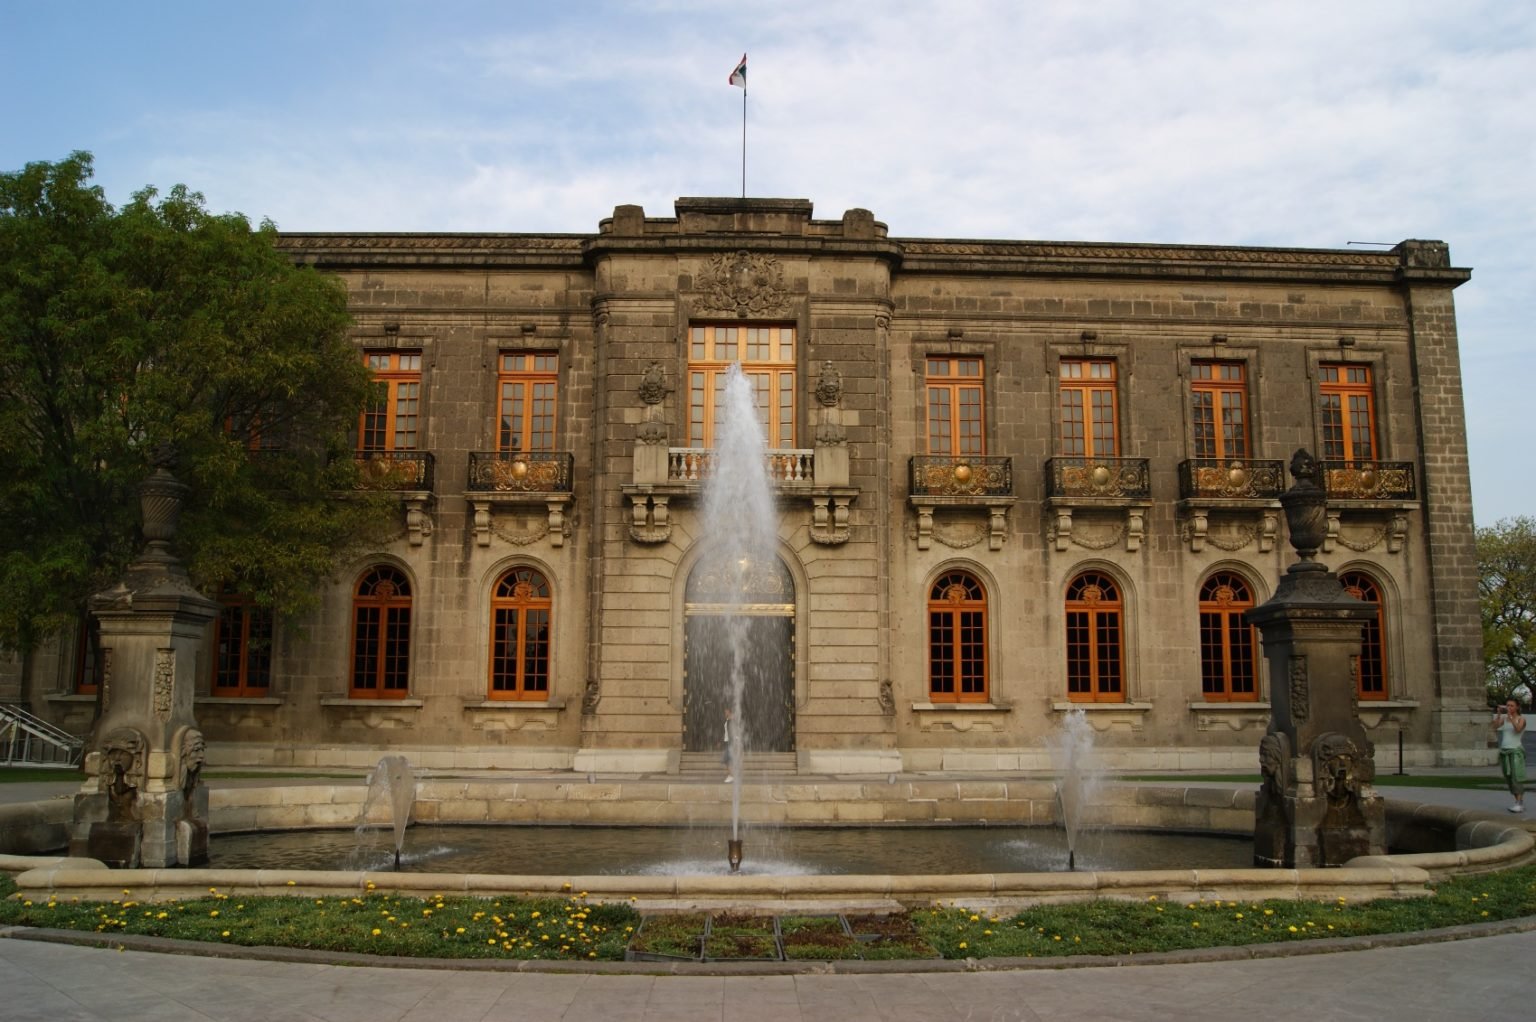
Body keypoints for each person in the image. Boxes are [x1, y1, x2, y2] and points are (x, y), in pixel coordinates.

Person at [1492, 698, 1526, 813]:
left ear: (1517, 707)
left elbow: (1518, 729)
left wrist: (1511, 718)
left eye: (1511, 706)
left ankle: (1519, 803)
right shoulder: (1505, 719)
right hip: (1505, 751)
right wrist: (1499, 714)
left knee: (1516, 777)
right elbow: (1495, 727)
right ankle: (1517, 802)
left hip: (1516, 751)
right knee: (1509, 778)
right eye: (1507, 705)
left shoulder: (1521, 719)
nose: (1509, 708)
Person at [721, 707, 735, 783]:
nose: (725, 713)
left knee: (726, 759)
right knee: (728, 760)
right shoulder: (728, 720)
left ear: (729, 712)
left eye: (726, 711)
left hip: (731, 742)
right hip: (728, 742)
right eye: (725, 712)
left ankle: (731, 776)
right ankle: (731, 775)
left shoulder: (732, 720)